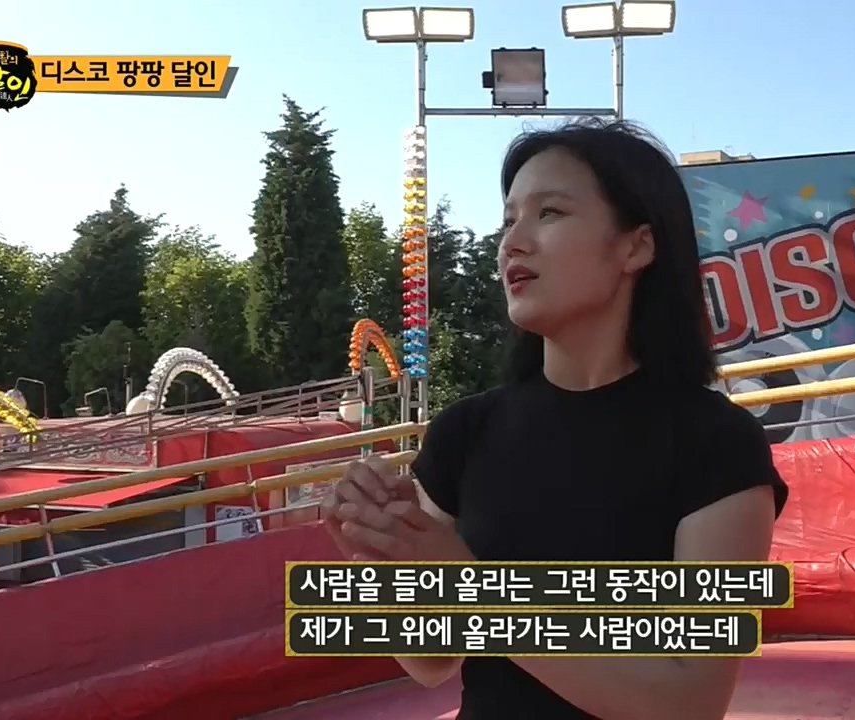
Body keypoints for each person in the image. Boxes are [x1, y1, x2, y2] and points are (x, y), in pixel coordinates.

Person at [323, 118, 788, 720]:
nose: (512, 243)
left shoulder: (717, 444)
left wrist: (478, 591)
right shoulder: (465, 432)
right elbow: (430, 659)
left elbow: (689, 702)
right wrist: (378, 555)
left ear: (635, 247)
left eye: (549, 213)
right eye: (508, 220)